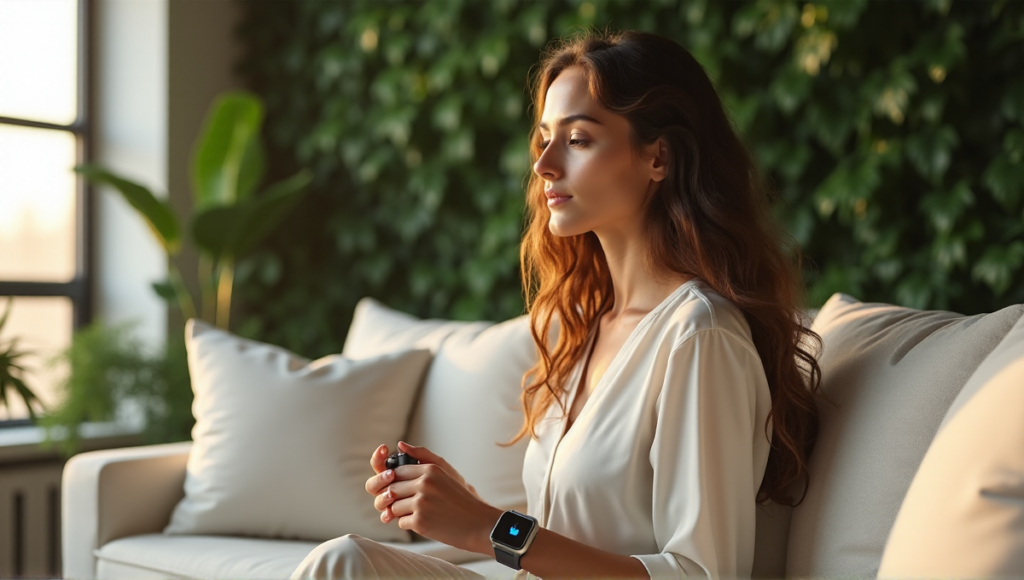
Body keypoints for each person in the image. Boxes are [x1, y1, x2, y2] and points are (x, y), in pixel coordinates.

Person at [290, 27, 822, 580]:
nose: (544, 164)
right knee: (346, 560)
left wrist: (487, 526)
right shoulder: (589, 324)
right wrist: (464, 508)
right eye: (544, 137)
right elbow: (570, 538)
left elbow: (699, 573)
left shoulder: (699, 335)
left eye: (579, 139)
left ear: (658, 157)